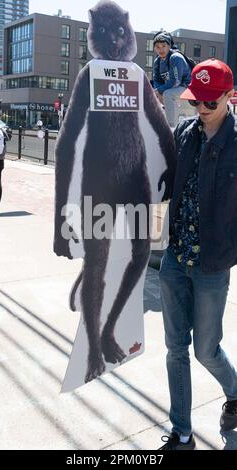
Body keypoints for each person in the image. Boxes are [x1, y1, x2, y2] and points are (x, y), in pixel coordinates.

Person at [158, 58, 237, 450]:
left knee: (207, 349)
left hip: (211, 266)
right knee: (176, 349)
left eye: (209, 103)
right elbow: (164, 180)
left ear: (228, 96)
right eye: (195, 103)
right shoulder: (185, 132)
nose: (201, 110)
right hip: (175, 260)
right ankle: (182, 433)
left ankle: (235, 394)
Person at [153, 30, 196, 127]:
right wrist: (157, 91)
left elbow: (176, 81)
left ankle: (171, 127)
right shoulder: (157, 61)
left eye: (164, 46)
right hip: (174, 90)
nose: (161, 49)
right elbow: (156, 80)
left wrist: (160, 90)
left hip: (188, 88)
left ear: (169, 46)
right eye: (158, 47)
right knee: (152, 94)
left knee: (167, 94)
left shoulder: (175, 57)